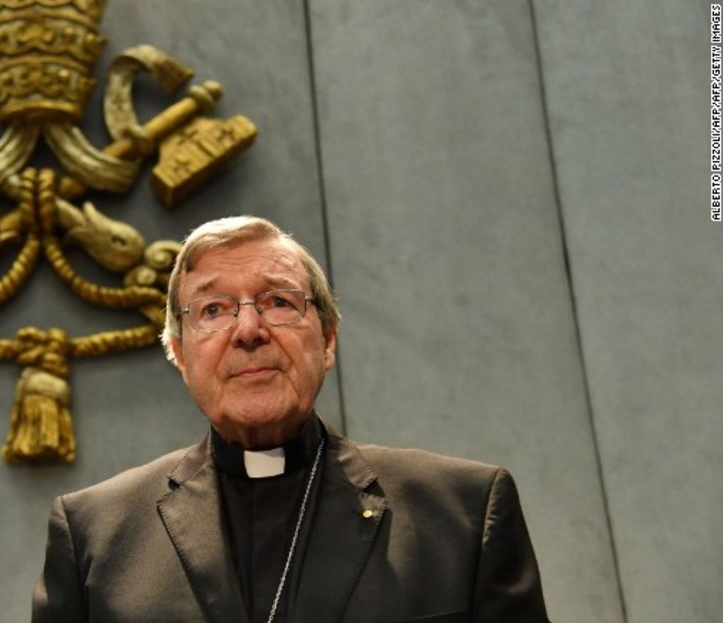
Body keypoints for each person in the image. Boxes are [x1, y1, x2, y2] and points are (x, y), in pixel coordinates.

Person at [32, 216, 548, 622]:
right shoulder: (95, 536)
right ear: (180, 354)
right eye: (213, 309)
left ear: (326, 340)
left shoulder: (463, 512)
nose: (249, 329)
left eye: (278, 301)